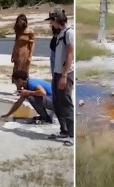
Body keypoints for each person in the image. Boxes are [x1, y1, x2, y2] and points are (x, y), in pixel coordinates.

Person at [47, 8, 74, 146]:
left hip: (65, 74)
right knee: (57, 102)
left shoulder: (69, 33)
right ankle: (63, 130)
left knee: (66, 103)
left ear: (57, 20)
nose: (51, 24)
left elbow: (70, 54)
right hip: (57, 73)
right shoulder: (59, 33)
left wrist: (64, 75)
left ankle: (72, 134)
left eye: (51, 21)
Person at [11, 14, 35, 83]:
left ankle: (24, 86)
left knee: (24, 70)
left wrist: (30, 56)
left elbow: (32, 44)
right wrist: (13, 54)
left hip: (25, 53)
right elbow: (16, 42)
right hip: (17, 52)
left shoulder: (30, 31)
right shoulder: (18, 30)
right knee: (16, 70)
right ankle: (17, 87)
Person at [45, 11, 63, 76]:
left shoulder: (61, 29)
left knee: (57, 74)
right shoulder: (54, 27)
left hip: (57, 52)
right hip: (53, 50)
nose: (50, 23)